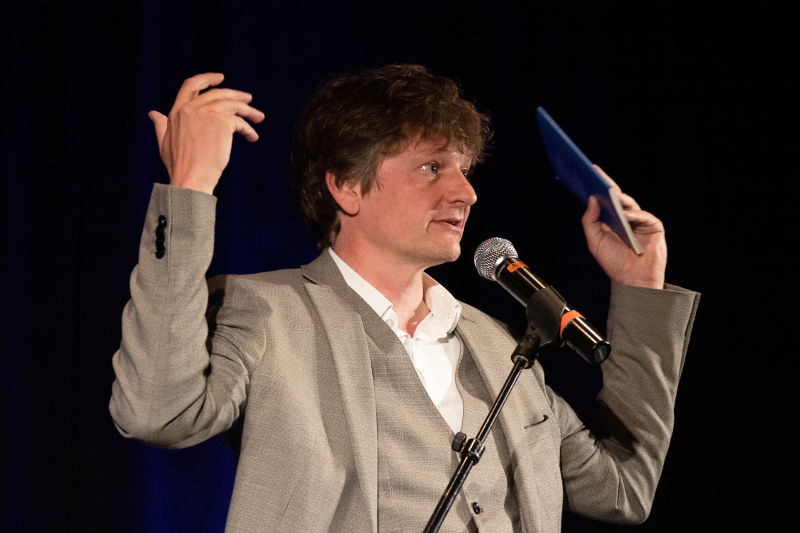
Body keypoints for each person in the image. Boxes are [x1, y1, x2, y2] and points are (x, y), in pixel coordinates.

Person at [110, 65, 700, 532]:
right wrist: (188, 189)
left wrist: (640, 287)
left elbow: (623, 488)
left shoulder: (501, 346)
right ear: (346, 186)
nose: (466, 192)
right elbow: (158, 411)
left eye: (465, 170)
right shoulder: (266, 312)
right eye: (431, 167)